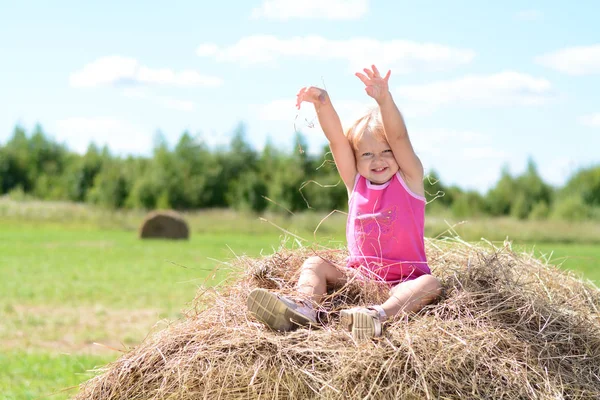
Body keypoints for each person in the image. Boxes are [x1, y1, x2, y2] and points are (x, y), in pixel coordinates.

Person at [247, 65, 442, 340]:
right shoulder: (355, 183)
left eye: (386, 151)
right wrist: (322, 104)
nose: (378, 160)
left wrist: (384, 100)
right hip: (357, 279)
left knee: (431, 284)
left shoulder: (410, 180)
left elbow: (399, 137)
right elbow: (337, 140)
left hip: (403, 282)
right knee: (314, 264)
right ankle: (304, 308)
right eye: (367, 154)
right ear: (356, 158)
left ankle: (377, 316)